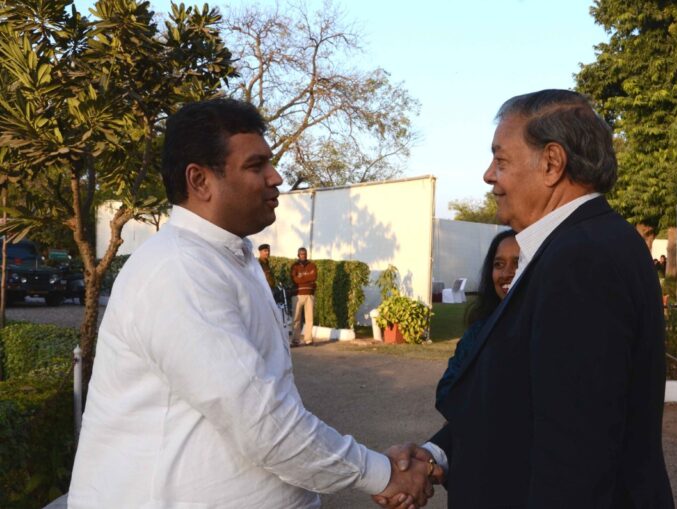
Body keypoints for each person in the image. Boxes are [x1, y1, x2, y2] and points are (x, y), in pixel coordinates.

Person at [68, 99, 437, 509]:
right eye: (256, 165)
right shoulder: (179, 269)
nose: (275, 177)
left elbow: (270, 404)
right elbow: (261, 422)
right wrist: (380, 474)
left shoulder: (231, 258)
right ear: (200, 180)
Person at [380, 89, 674, 508]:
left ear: (552, 163)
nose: (487, 175)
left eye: (500, 160)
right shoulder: (577, 246)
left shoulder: (581, 259)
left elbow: (575, 457)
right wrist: (437, 453)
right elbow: (520, 401)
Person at [435, 230, 518, 406]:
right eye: (499, 264)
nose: (506, 273)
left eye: (518, 263)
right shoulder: (479, 331)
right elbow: (446, 392)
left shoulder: (546, 331)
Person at [291, 247, 317, 346]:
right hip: (297, 295)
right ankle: (295, 340)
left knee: (309, 318)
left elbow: (314, 277)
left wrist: (301, 277)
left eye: (305, 253)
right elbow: (294, 280)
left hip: (309, 294)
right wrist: (307, 278)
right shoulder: (294, 266)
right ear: (298, 255)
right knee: (296, 318)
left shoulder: (312, 265)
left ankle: (308, 339)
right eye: (301, 254)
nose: (303, 255)